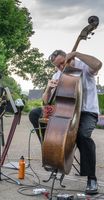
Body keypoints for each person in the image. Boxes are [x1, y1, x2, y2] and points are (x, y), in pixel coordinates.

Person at [29, 49, 102, 195]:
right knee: (35, 114)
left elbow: (98, 64)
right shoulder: (58, 74)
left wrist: (77, 54)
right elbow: (46, 101)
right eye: (57, 66)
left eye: (62, 62)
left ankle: (91, 179)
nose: (61, 67)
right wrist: (49, 89)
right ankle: (50, 148)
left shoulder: (84, 66)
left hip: (87, 112)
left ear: (68, 57)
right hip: (66, 111)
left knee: (83, 136)